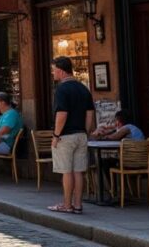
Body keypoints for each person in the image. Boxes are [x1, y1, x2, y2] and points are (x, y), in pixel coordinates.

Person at [49, 56, 95, 215]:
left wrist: (56, 135)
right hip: (81, 134)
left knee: (66, 171)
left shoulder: (61, 89)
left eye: (54, 70)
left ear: (61, 71)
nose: (53, 73)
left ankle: (67, 205)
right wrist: (86, 132)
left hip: (66, 136)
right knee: (79, 171)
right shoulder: (84, 88)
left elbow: (61, 114)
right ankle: (78, 205)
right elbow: (90, 114)